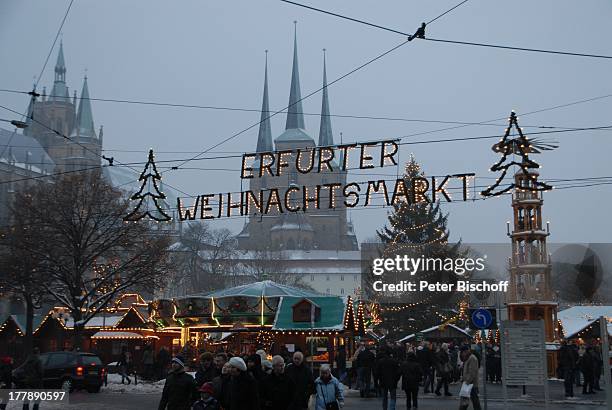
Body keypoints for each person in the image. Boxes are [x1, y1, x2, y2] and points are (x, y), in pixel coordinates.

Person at [459, 346, 481, 410]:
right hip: (469, 384)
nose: (462, 354)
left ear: (465, 351)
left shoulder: (472, 358)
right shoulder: (468, 358)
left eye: (462, 352)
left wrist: (467, 382)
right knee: (468, 401)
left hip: (471, 384)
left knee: (473, 402)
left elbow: (472, 372)